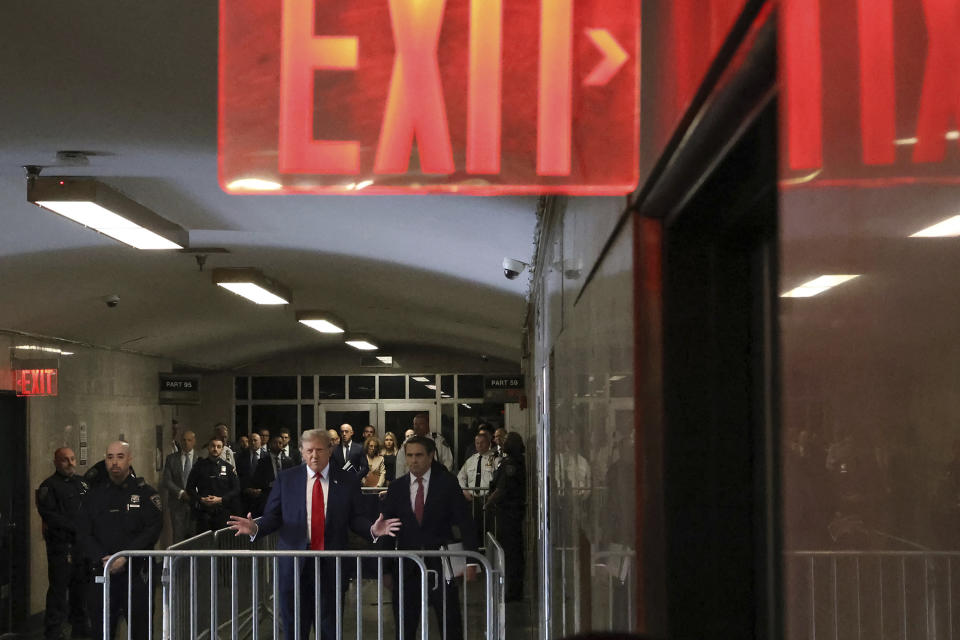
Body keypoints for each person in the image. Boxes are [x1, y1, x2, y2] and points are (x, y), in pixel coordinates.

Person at [227, 429, 400, 640]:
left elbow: (356, 518)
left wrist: (372, 529)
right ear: (301, 451)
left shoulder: (347, 481)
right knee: (294, 628)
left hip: (331, 563)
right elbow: (274, 516)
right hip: (294, 564)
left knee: (329, 626)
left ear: (330, 450)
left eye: (319, 450)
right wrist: (256, 527)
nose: (314, 455)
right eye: (309, 450)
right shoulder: (286, 479)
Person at [381, 436, 477, 640]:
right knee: (405, 622)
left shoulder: (447, 483)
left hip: (441, 560)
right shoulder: (397, 488)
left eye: (419, 455)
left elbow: (465, 523)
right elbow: (388, 530)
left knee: (449, 619)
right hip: (407, 564)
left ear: (431, 456)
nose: (414, 460)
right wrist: (385, 569)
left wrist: (471, 561)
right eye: (409, 456)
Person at [78, 441, 162, 640]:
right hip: (102, 572)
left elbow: (152, 530)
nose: (114, 462)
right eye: (110, 457)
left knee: (140, 629)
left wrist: (124, 556)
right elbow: (83, 532)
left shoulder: (145, 494)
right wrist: (102, 558)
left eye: (120, 457)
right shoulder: (94, 495)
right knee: (101, 629)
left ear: (129, 458)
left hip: (136, 573)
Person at [36, 447, 90, 640]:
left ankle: (80, 629)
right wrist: (77, 527)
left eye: (73, 459)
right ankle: (53, 632)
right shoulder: (48, 487)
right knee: (58, 593)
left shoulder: (83, 483)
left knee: (81, 591)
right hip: (62, 548)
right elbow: (51, 516)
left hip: (81, 548)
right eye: (65, 460)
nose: (70, 463)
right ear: (56, 462)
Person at [486, 432, 526, 601]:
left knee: (510, 554)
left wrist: (487, 503)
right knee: (513, 553)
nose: (504, 441)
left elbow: (502, 489)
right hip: (512, 513)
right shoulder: (516, 462)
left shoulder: (510, 464)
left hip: (509, 514)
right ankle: (513, 589)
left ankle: (513, 591)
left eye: (508, 440)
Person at [186, 436, 240, 532]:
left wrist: (221, 499)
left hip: (222, 511)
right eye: (213, 446)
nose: (215, 449)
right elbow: (189, 488)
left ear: (222, 449)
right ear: (208, 447)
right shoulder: (199, 466)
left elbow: (236, 489)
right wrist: (201, 499)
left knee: (222, 543)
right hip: (203, 512)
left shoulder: (229, 468)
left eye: (219, 446)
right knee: (204, 544)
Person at [457, 431, 497, 540]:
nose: (479, 445)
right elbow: (460, 477)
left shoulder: (494, 459)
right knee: (473, 529)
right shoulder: (471, 460)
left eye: (482, 443)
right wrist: (464, 490)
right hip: (472, 500)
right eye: (477, 443)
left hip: (487, 499)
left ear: (489, 443)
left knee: (488, 530)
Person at [161, 430, 197, 543]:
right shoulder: (171, 459)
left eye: (189, 440)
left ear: (194, 441)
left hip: (196, 503)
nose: (186, 443)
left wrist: (195, 494)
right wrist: (181, 493)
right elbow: (166, 480)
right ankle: (179, 560)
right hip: (177, 503)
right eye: (184, 440)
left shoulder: (200, 458)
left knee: (195, 536)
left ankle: (195, 561)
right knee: (178, 536)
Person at [250, 435, 296, 516]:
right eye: (275, 443)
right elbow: (256, 481)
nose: (278, 445)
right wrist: (269, 484)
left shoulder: (289, 461)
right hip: (268, 498)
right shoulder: (262, 462)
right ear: (270, 444)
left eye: (280, 443)